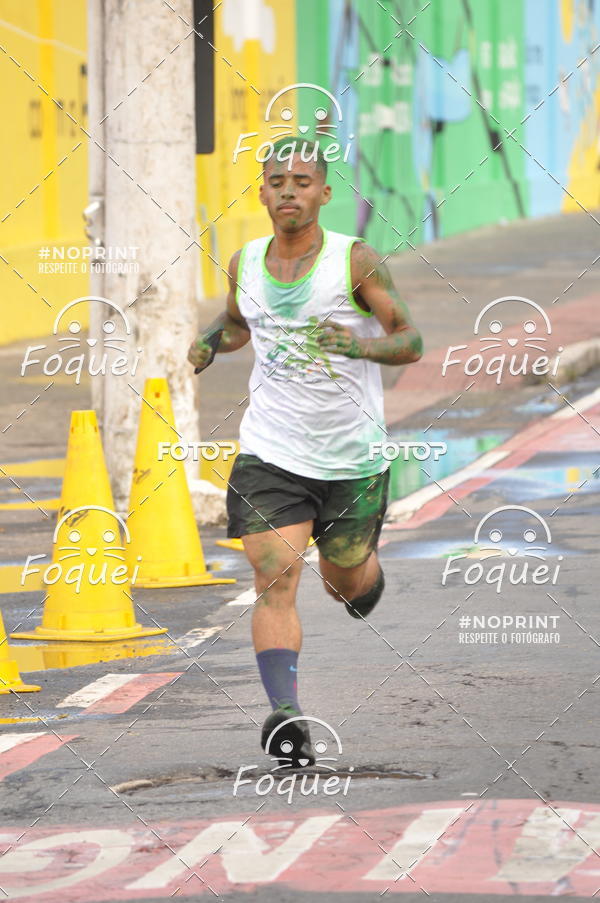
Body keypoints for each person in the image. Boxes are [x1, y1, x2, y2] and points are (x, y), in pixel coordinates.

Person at [188, 138, 422, 767]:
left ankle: (362, 575)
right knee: (274, 576)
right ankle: (286, 716)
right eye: (276, 181)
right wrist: (211, 340)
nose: (288, 190)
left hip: (352, 459)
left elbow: (410, 340)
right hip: (271, 452)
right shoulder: (244, 261)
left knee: (344, 582)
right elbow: (240, 323)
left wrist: (359, 346)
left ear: (323, 192)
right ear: (262, 192)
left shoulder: (355, 261)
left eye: (301, 181)